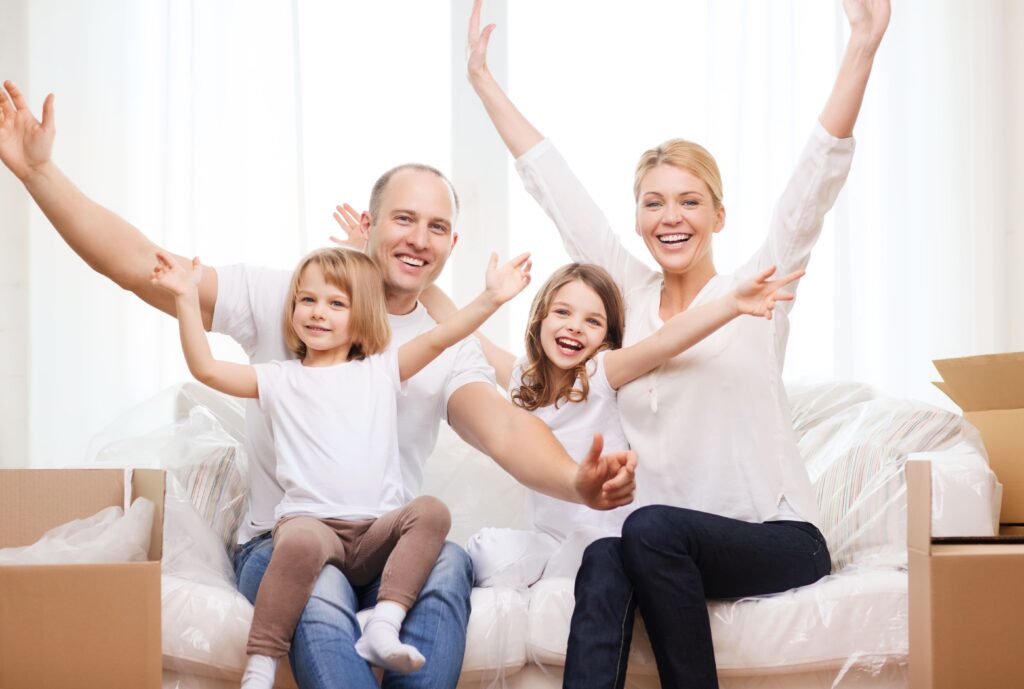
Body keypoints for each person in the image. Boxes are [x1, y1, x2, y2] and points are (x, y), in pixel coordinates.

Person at [0, 81, 637, 689]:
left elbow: (504, 430)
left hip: (382, 540)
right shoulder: (297, 298)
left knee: (448, 564)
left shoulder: (443, 350)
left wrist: (576, 482)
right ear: (370, 223)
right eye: (404, 219)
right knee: (320, 590)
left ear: (452, 243)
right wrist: (39, 173)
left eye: (437, 227)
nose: (418, 239)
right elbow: (143, 266)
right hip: (288, 537)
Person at [464, 0, 890, 685]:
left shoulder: (756, 289)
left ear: (718, 215)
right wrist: (484, 84)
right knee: (606, 554)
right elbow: (557, 190)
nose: (671, 216)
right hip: (660, 544)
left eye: (690, 201)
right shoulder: (626, 301)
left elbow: (815, 183)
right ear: (637, 219)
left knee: (646, 528)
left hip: (776, 538)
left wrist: (862, 48)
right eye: (654, 202)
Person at [151, 245, 530, 686]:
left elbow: (441, 337)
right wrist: (185, 297)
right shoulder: (278, 377)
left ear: (362, 315)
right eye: (307, 300)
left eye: (336, 304)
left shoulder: (380, 371)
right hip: (313, 528)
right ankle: (261, 663)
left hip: (375, 534)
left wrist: (491, 298)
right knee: (297, 542)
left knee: (432, 512)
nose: (317, 312)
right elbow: (207, 370)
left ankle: (384, 623)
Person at [405, 260, 802, 588]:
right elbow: (469, 334)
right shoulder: (523, 379)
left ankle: (571, 579)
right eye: (562, 312)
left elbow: (665, 341)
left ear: (605, 338)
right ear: (540, 318)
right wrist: (416, 276)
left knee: (589, 559)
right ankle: (545, 576)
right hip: (549, 541)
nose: (575, 326)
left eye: (592, 321)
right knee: (485, 552)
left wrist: (731, 304)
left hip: (604, 539)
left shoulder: (598, 373)